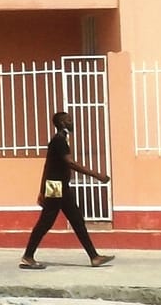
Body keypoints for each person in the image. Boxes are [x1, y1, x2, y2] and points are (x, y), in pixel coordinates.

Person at [17, 112, 115, 269]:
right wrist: (96, 175)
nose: (72, 121)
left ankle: (94, 257)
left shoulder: (59, 140)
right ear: (62, 123)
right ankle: (28, 256)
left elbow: (47, 166)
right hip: (56, 187)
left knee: (77, 220)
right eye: (69, 119)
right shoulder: (59, 141)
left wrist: (42, 190)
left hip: (60, 186)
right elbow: (70, 163)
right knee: (46, 222)